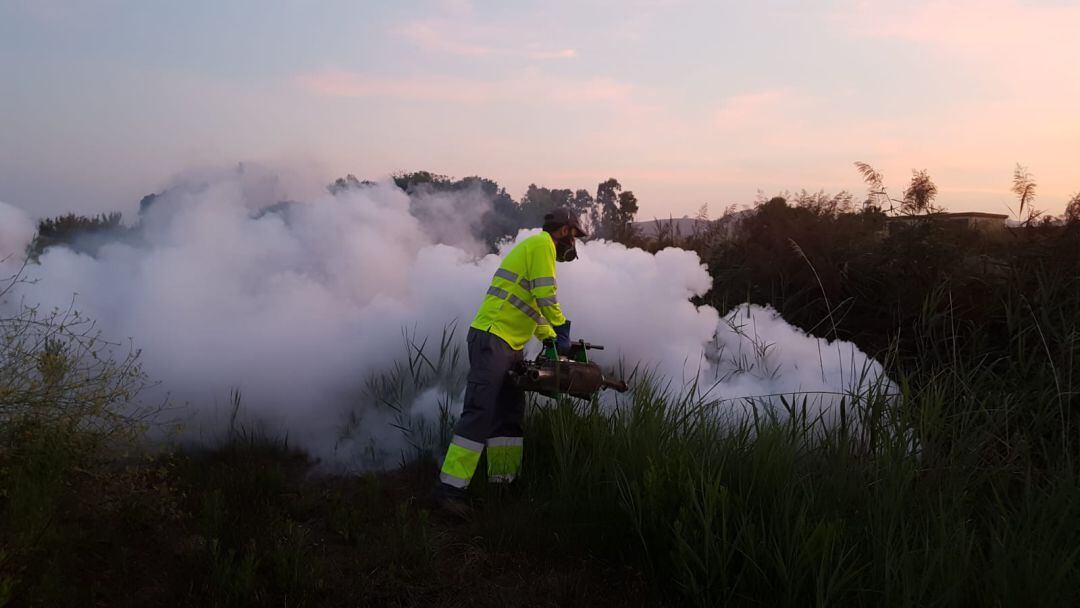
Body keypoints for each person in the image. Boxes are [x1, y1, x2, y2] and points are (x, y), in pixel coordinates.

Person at [434, 207, 586, 516]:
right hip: (492, 337)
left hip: (510, 343)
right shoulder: (542, 244)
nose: (574, 245)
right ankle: (450, 491)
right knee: (480, 411)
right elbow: (546, 294)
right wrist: (561, 327)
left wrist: (547, 336)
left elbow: (531, 305)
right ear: (564, 231)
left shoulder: (535, 249)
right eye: (574, 236)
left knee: (509, 413)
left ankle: (503, 482)